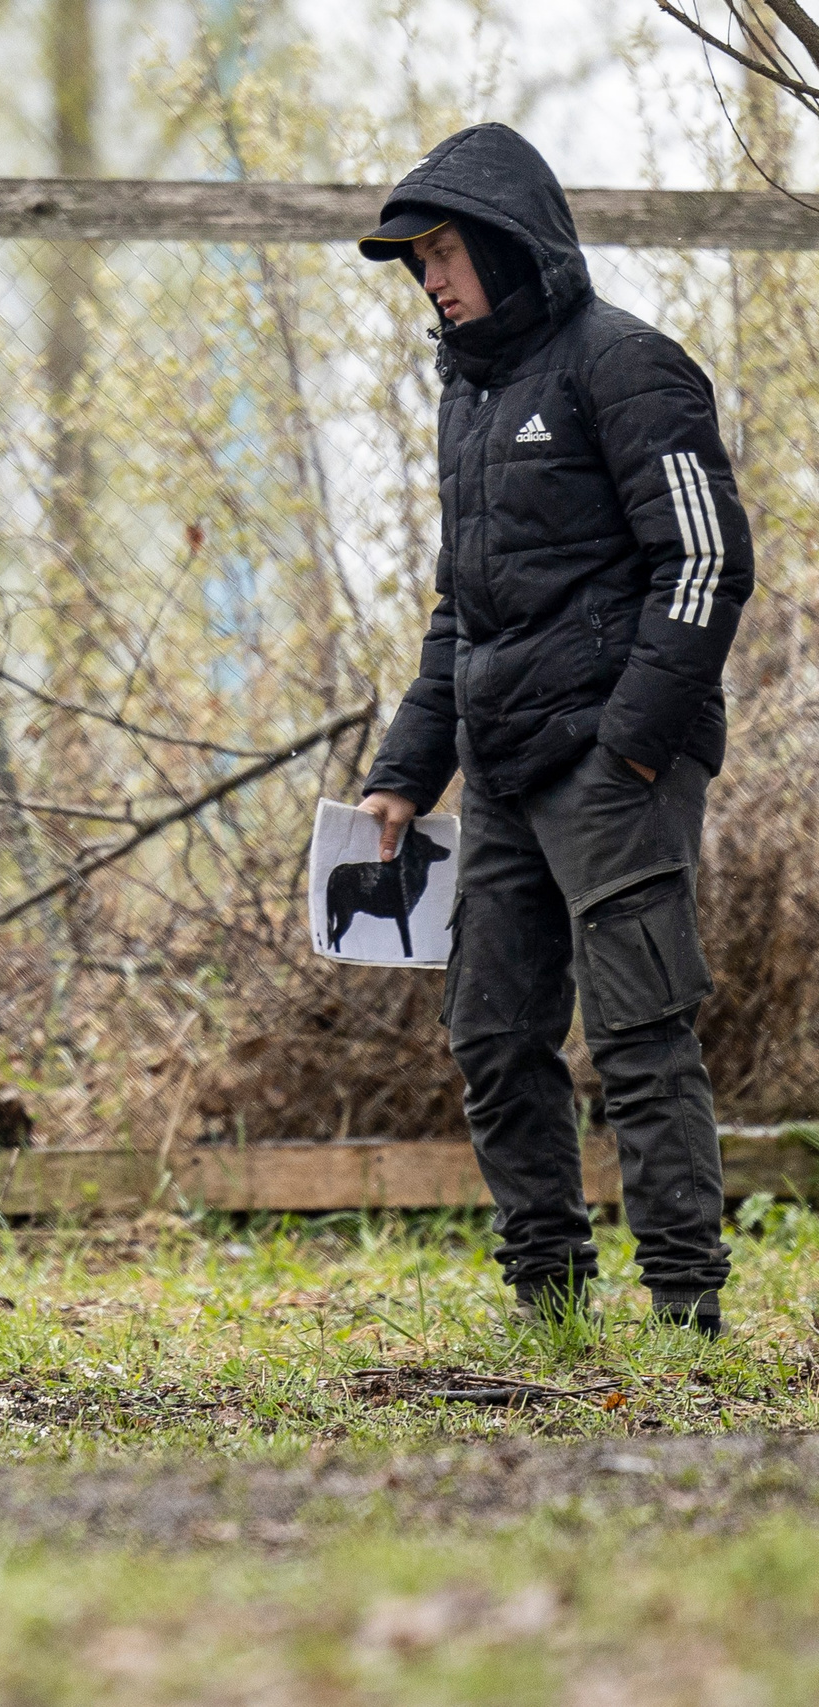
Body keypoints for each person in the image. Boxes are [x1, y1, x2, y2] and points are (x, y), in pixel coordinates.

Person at [355, 124, 752, 1336]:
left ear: (508, 240)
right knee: (491, 1028)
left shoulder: (627, 365)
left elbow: (706, 562)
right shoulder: (467, 395)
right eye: (417, 260)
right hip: (504, 765)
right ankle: (550, 1298)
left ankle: (684, 1302)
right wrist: (403, 775)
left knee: (636, 1029)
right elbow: (460, 611)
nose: (431, 279)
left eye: (443, 250)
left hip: (614, 757)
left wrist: (631, 742)